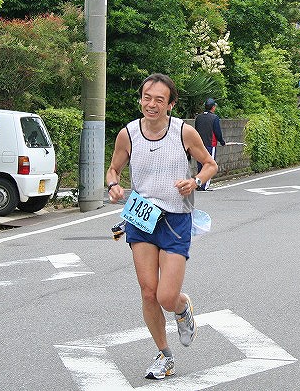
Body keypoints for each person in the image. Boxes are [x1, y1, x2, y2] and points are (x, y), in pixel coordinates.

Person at [106, 73, 218, 380]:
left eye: (159, 99)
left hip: (175, 219)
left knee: (167, 296)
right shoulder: (128, 134)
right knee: (148, 292)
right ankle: (164, 355)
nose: (151, 104)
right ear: (140, 98)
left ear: (170, 104)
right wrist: (114, 184)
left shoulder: (184, 132)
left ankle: (182, 309)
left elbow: (210, 164)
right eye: (147, 97)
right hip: (141, 218)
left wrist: (195, 181)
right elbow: (114, 168)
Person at [194, 98, 225, 190]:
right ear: (213, 107)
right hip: (210, 144)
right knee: (210, 164)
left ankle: (199, 184)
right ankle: (204, 186)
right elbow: (217, 132)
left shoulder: (198, 117)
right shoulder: (214, 118)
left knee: (200, 165)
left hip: (198, 145)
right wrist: (222, 141)